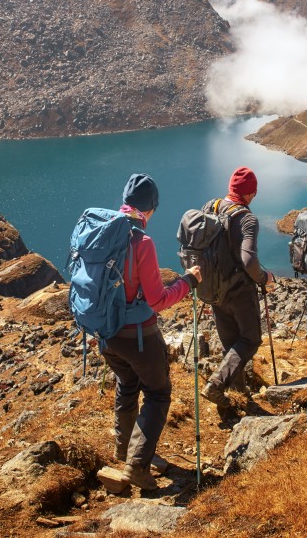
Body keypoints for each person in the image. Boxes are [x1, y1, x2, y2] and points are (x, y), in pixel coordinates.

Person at [101, 173, 201, 491]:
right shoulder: (141, 242)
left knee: (127, 384)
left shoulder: (101, 230)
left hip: (106, 334)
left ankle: (123, 449)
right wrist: (188, 282)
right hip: (137, 336)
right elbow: (157, 300)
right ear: (151, 208)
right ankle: (138, 465)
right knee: (158, 393)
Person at [199, 166, 276, 413]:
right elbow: (249, 261)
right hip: (238, 291)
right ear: (250, 193)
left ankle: (237, 395)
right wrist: (265, 279)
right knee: (250, 340)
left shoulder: (210, 206)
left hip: (213, 288)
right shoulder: (247, 218)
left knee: (231, 342)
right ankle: (217, 385)